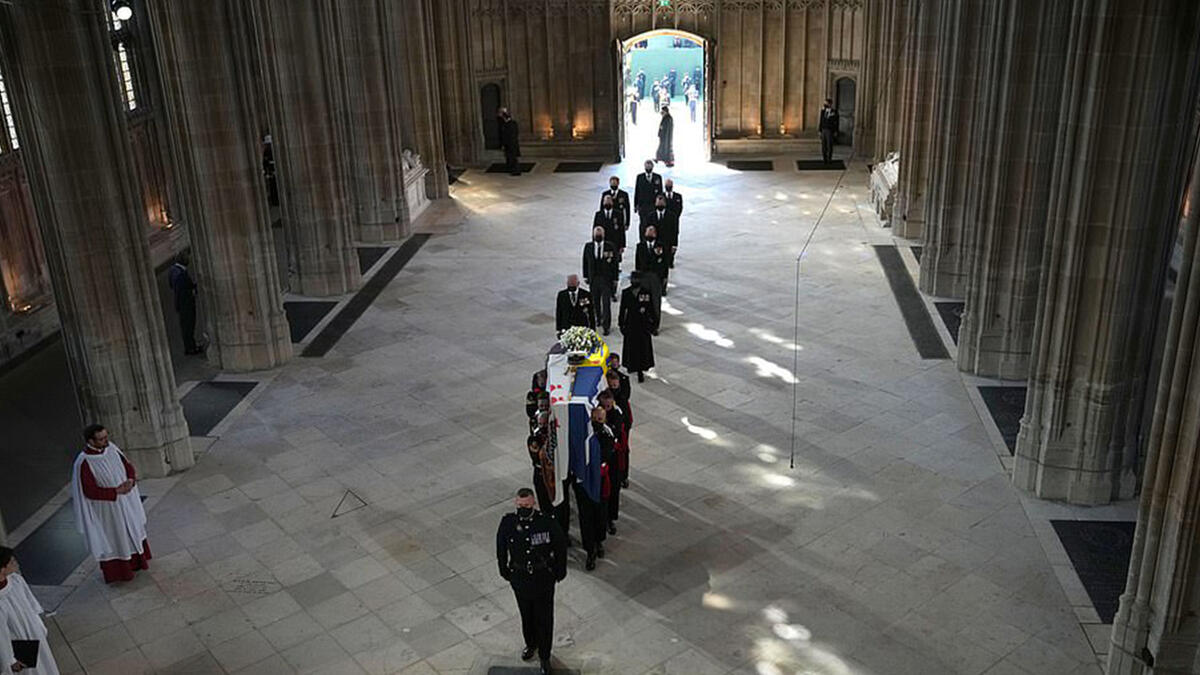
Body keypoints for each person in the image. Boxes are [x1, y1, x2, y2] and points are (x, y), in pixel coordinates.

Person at [496, 488, 566, 675]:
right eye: (520, 506)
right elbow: (501, 547)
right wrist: (504, 570)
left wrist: (560, 571)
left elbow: (560, 545)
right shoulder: (508, 523)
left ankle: (545, 656)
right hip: (520, 577)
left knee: (544, 618)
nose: (523, 509)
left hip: (542, 577)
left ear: (533, 503)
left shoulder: (546, 522)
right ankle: (531, 644)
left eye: (526, 506)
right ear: (515, 504)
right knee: (526, 615)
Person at [70, 424, 151, 584]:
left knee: (132, 529)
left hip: (125, 501)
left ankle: (138, 562)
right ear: (90, 441)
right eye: (101, 439)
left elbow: (127, 466)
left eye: (106, 436)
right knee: (116, 536)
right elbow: (89, 491)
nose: (106, 441)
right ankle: (121, 572)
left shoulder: (112, 448)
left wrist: (130, 479)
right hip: (107, 508)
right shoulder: (84, 462)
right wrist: (115, 492)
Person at [0, 548, 59, 675]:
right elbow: (2, 636)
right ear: (2, 569)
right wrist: (10, 660)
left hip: (34, 631)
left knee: (47, 665)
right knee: (32, 671)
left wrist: (39, 626)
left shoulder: (16, 580)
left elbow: (31, 603)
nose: (16, 564)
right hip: (18, 642)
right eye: (11, 562)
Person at [574, 407, 613, 571]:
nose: (597, 421)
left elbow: (607, 454)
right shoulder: (584, 434)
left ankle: (599, 542)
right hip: (584, 483)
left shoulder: (606, 434)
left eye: (600, 419)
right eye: (595, 418)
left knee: (600, 514)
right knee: (586, 517)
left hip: (600, 480)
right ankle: (590, 550)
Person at [597, 390, 627, 535]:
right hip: (603, 459)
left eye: (609, 404)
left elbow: (615, 433)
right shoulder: (598, 415)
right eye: (605, 405)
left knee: (613, 489)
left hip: (613, 458)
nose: (608, 407)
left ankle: (611, 519)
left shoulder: (616, 414)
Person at [619, 272, 658, 382]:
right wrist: (621, 323)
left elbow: (651, 308)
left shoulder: (646, 293)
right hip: (631, 324)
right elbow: (623, 310)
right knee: (631, 347)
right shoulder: (626, 293)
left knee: (642, 348)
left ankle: (641, 369)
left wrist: (654, 323)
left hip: (643, 324)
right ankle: (631, 366)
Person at [582, 227, 618, 336]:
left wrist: (615, 278)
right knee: (595, 301)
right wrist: (586, 276)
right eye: (596, 234)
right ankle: (598, 318)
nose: (598, 236)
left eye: (600, 234)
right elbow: (585, 262)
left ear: (603, 235)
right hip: (594, 279)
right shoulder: (588, 247)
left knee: (606, 303)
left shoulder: (610, 247)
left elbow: (615, 264)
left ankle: (606, 326)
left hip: (606, 279)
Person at [168, 251, 201, 355]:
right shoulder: (181, 274)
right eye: (187, 258)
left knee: (185, 326)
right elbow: (184, 291)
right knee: (189, 326)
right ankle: (191, 348)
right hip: (186, 304)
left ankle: (190, 346)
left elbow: (171, 285)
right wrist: (194, 291)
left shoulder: (173, 270)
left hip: (181, 304)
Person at [636, 225, 670, 315]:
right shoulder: (640, 246)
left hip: (656, 277)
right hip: (644, 277)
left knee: (656, 301)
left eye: (652, 232)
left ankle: (655, 322)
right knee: (645, 301)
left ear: (655, 234)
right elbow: (638, 264)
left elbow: (664, 264)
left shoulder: (661, 246)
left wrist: (665, 277)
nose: (650, 234)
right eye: (648, 232)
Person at [594, 195, 626, 267]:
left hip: (615, 241)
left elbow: (621, 230)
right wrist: (594, 242)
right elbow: (595, 229)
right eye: (606, 201)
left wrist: (622, 245)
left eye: (609, 201)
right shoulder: (599, 214)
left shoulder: (618, 214)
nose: (607, 203)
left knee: (615, 259)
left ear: (612, 202)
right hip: (604, 240)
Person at [498, 107, 521, 175]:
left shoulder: (509, 124)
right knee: (511, 158)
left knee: (513, 158)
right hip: (511, 144)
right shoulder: (511, 124)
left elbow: (508, 136)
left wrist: (504, 144)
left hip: (511, 144)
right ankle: (512, 169)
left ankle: (515, 171)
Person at [819, 98, 839, 164]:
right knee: (823, 145)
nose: (825, 104)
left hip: (830, 130)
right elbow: (821, 121)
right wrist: (820, 130)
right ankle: (824, 159)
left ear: (830, 104)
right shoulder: (823, 111)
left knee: (829, 145)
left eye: (826, 103)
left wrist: (836, 131)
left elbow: (836, 122)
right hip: (824, 129)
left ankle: (829, 159)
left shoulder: (834, 112)